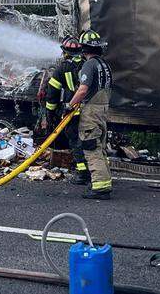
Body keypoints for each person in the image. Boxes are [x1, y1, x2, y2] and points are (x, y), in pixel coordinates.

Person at [65, 29, 113, 199]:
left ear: (84, 49)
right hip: (103, 111)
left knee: (91, 148)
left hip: (91, 112)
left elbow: (83, 89)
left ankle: (100, 188)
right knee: (99, 148)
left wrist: (70, 105)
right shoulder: (105, 65)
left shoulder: (89, 65)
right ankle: (104, 182)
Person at [39, 37, 88, 183]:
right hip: (90, 110)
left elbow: (52, 94)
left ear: (65, 52)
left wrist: (50, 113)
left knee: (75, 141)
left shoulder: (62, 68)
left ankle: (83, 172)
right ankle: (96, 170)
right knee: (91, 140)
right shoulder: (88, 64)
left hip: (71, 111)